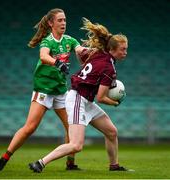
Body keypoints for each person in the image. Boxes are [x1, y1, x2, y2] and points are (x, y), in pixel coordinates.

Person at [28, 18, 132, 173]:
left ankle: (114, 166)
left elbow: (83, 62)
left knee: (112, 132)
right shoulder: (109, 68)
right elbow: (101, 98)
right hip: (77, 99)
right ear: (112, 50)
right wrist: (116, 102)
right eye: (122, 49)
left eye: (126, 49)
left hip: (85, 100)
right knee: (76, 145)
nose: (125, 52)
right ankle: (40, 163)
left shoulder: (99, 54)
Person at [0, 8, 85, 171]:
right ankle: (5, 158)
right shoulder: (47, 41)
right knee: (30, 127)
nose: (63, 23)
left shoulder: (69, 40)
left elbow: (79, 50)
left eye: (64, 20)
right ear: (51, 23)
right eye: (60, 20)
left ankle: (70, 163)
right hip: (44, 90)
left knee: (71, 127)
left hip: (60, 91)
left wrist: (89, 51)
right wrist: (57, 63)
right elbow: (44, 56)